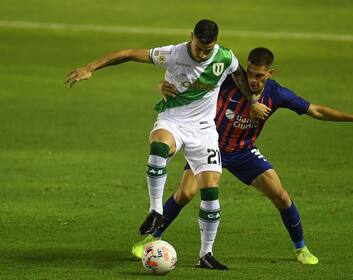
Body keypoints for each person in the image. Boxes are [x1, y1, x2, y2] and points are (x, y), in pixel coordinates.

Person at [132, 47, 353, 267]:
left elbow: (316, 110)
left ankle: (301, 248)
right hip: (211, 146)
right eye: (250, 73)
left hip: (243, 151)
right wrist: (165, 85)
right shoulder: (229, 80)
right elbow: (194, 82)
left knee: (281, 195)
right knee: (185, 193)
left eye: (259, 76)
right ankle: (150, 238)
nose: (253, 80)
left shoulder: (276, 94)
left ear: (270, 73)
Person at [65, 19, 269, 270]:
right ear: (190, 37)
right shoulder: (173, 54)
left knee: (210, 189)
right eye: (199, 48)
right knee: (159, 147)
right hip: (172, 119)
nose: (203, 54)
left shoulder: (225, 57)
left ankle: (206, 254)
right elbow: (128, 54)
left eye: (208, 49)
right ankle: (156, 210)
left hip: (204, 130)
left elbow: (238, 76)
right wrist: (90, 67)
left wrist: (251, 100)